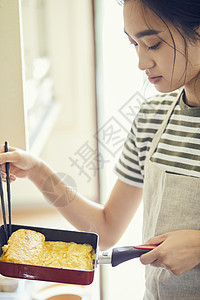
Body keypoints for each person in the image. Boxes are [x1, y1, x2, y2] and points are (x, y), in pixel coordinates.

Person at [0, 0, 200, 298]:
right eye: (134, 44)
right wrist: (39, 172)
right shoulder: (151, 117)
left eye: (153, 44)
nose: (142, 63)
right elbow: (106, 230)